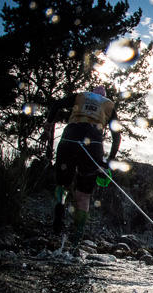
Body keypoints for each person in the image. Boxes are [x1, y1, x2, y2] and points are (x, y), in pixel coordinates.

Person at [44, 86, 121, 247]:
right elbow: (117, 136)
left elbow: (56, 104)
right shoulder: (108, 105)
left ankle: (58, 220)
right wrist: (108, 162)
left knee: (62, 185)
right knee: (84, 195)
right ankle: (76, 238)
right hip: (93, 144)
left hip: (69, 139)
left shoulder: (80, 96)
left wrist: (49, 124)